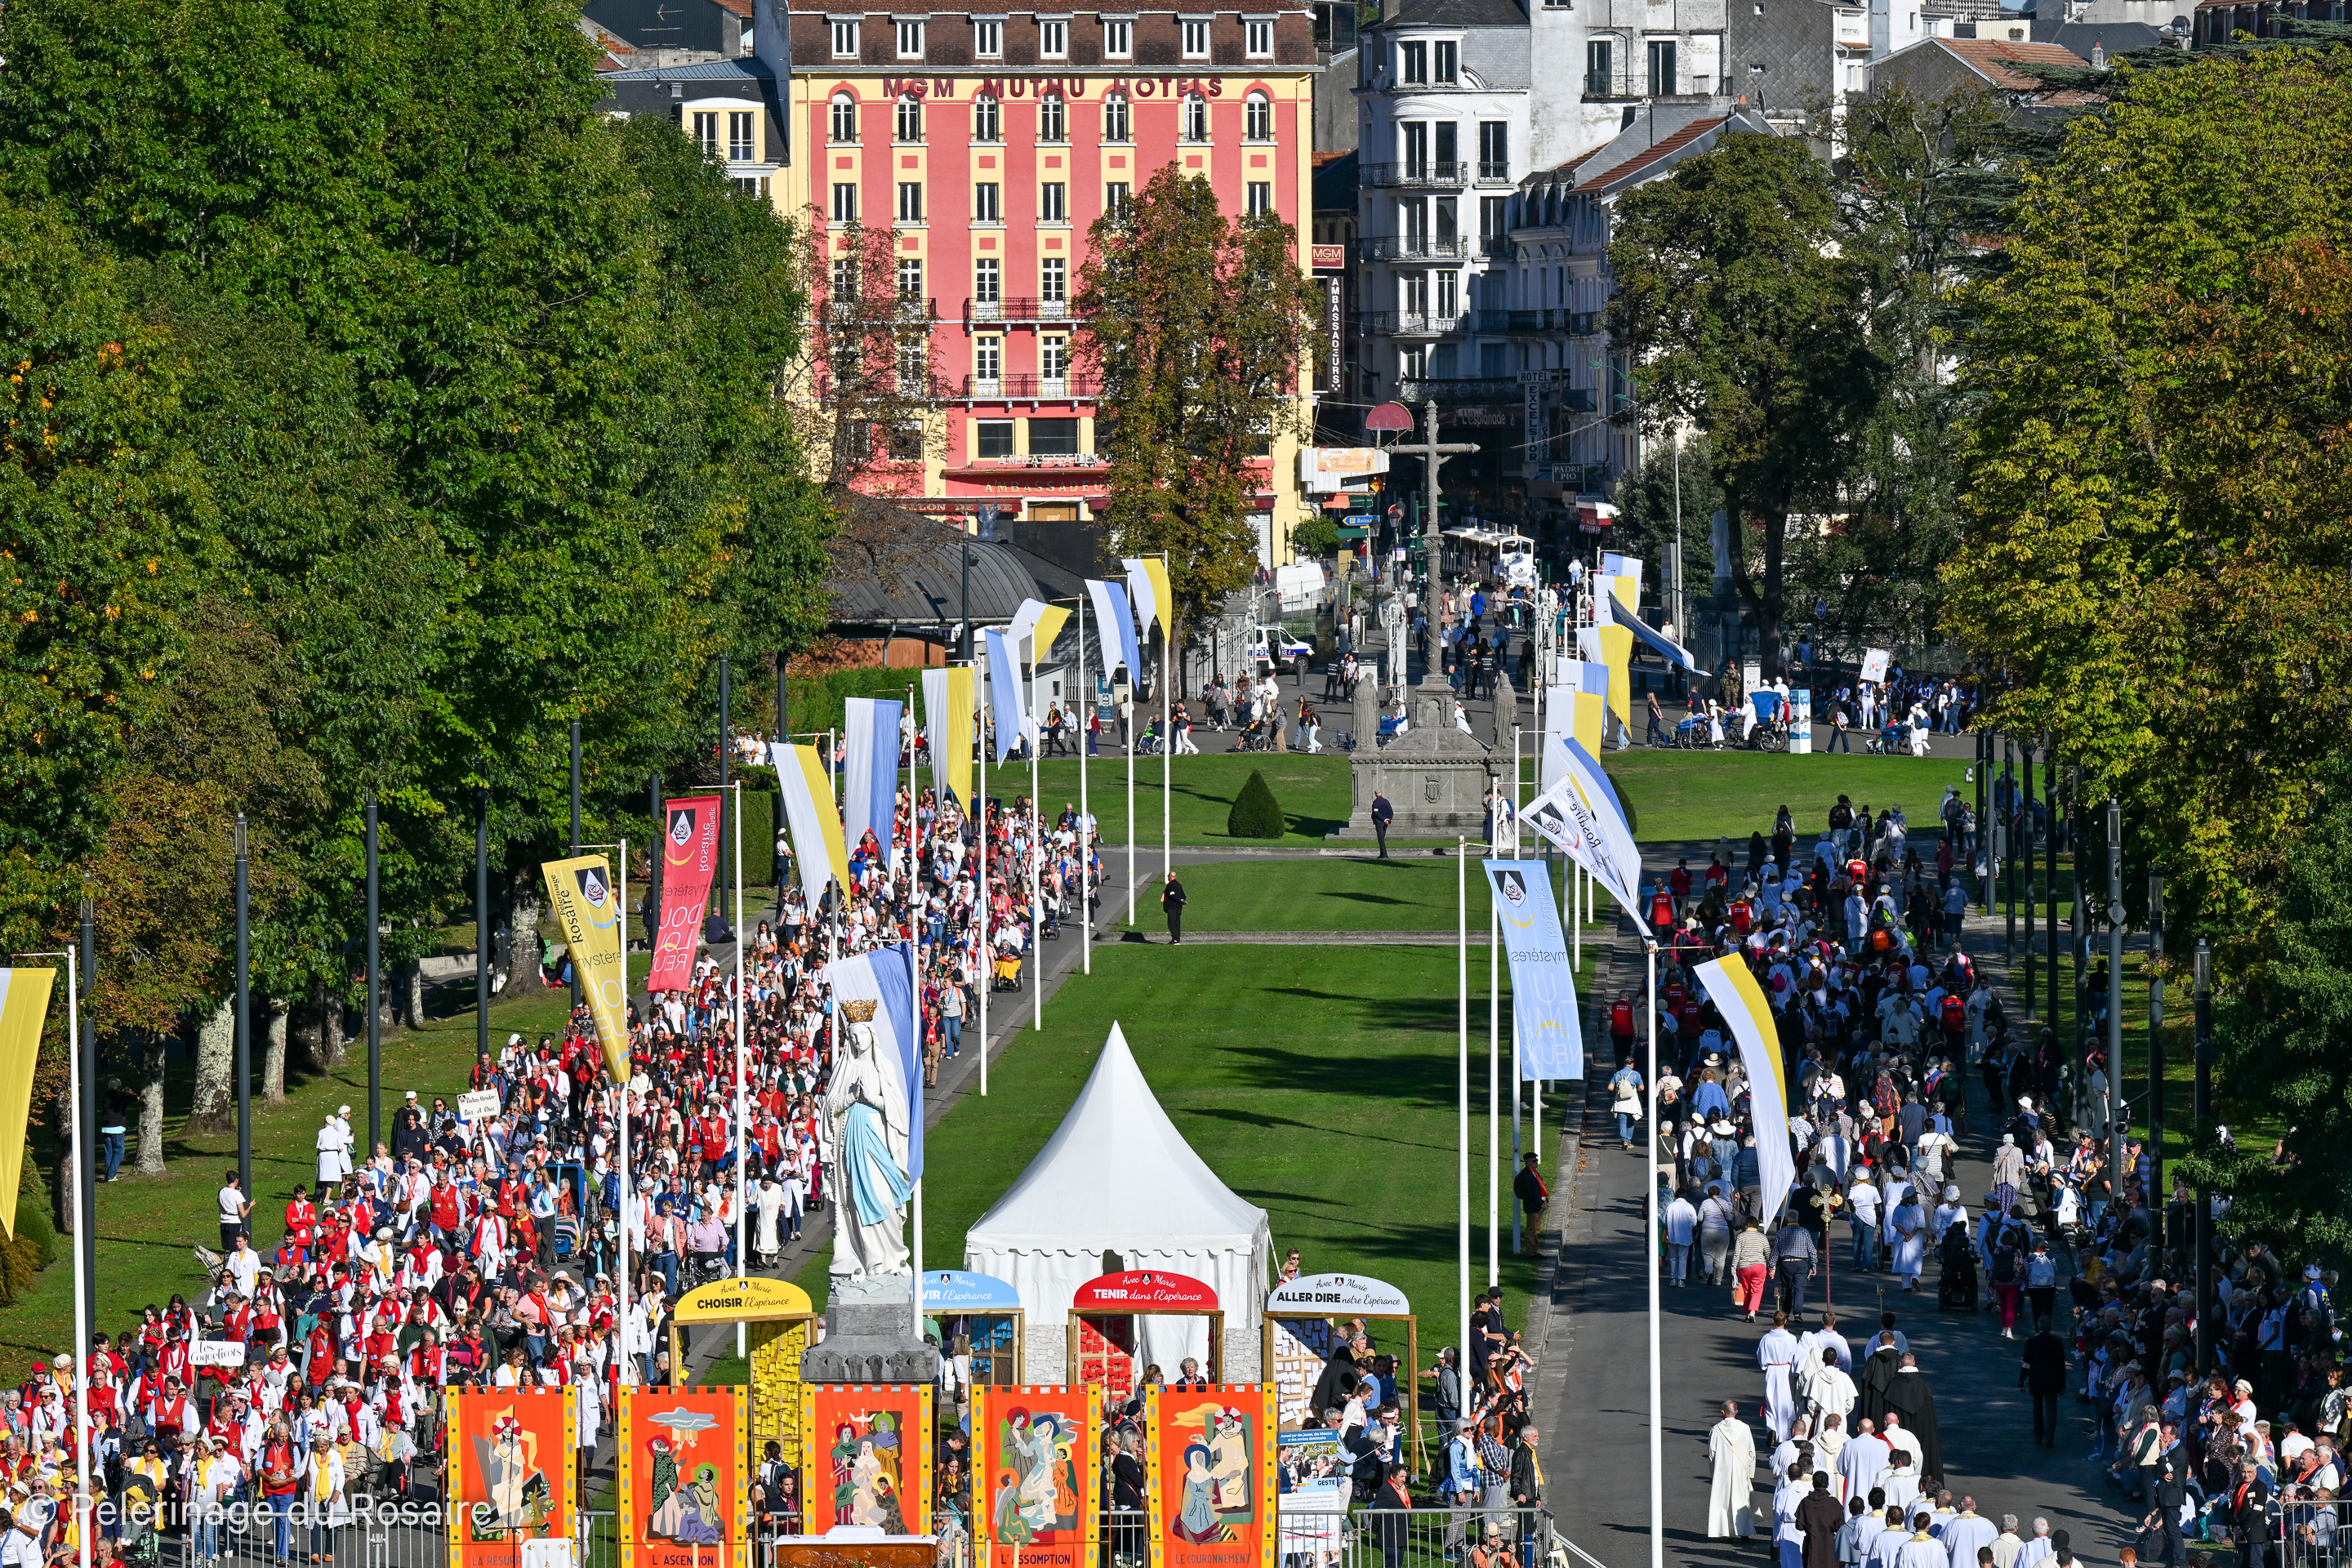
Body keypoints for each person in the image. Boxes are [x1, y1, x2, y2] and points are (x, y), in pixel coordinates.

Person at [1709, 1401, 1757, 1538]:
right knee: (1741, 1499)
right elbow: (1751, 1452)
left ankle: (1725, 1533)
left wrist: (1713, 1472)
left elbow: (1712, 1453)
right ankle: (1744, 1532)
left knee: (1723, 1501)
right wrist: (1750, 1472)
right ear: (1736, 1412)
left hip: (1721, 1471)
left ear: (1723, 1412)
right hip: (1740, 1469)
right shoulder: (1745, 1428)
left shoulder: (1716, 1430)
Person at [1512, 1155, 1548, 1256]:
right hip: (1533, 1206)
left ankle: (1535, 1251)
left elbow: (1541, 1188)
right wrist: (1541, 1202)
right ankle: (1531, 1253)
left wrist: (1546, 1200)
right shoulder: (1526, 1175)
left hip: (1539, 1205)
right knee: (1531, 1230)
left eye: (1536, 1160)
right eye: (1534, 1161)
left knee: (1536, 1230)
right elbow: (1529, 1192)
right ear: (1527, 1162)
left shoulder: (1534, 1173)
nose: (1536, 1162)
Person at [1160, 872, 1187, 945]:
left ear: (1170, 876)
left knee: (1172, 924)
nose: (1167, 877)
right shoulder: (1179, 885)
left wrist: (1178, 900)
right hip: (1179, 907)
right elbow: (1183, 895)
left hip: (1172, 907)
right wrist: (1182, 900)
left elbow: (1172, 895)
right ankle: (1177, 939)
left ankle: (1175, 939)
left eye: (1168, 876)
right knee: (1177, 923)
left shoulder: (1170, 885)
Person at [1371, 790, 1395, 860]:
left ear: (1375, 794)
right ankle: (1382, 854)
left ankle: (1384, 854)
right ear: (1381, 793)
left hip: (1379, 822)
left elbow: (1376, 813)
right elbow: (1391, 812)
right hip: (1386, 823)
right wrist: (1388, 820)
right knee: (1382, 837)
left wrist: (1384, 819)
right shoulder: (1386, 801)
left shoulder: (1376, 802)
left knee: (1381, 838)